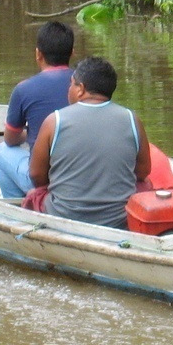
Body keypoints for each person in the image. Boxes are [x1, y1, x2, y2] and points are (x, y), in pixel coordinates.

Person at [29, 56, 151, 229]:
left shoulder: (54, 120)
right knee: (146, 185)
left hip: (63, 215)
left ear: (81, 89)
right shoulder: (132, 119)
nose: (68, 89)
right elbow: (143, 171)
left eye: (71, 84)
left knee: (34, 193)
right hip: (118, 220)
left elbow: (36, 176)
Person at [0, 21, 75, 198]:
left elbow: (10, 139)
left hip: (44, 179)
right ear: (72, 53)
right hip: (78, 174)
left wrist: (30, 135)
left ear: (38, 54)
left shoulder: (24, 88)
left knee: (2, 151)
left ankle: (18, 209)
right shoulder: (86, 86)